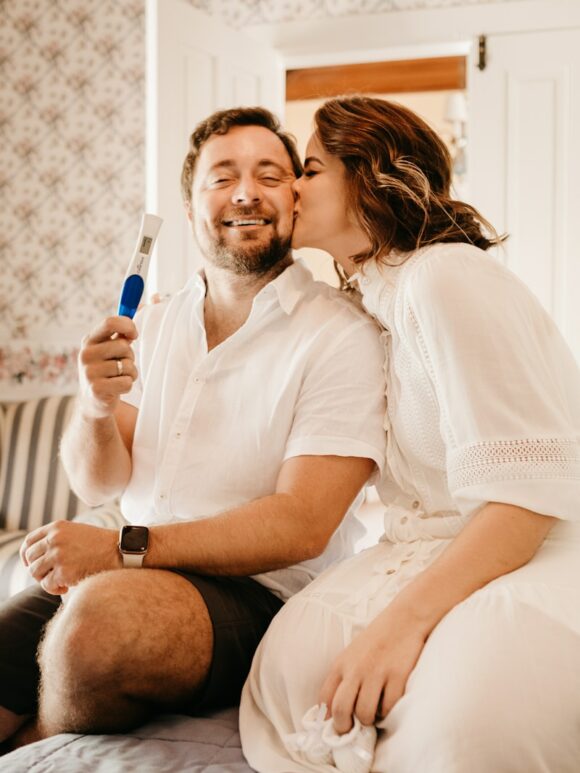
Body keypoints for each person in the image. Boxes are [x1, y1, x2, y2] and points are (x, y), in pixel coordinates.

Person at [0, 106, 387, 751]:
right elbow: (97, 480)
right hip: (133, 566)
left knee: (95, 628)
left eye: (269, 174)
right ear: (189, 210)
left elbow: (303, 522)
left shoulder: (340, 335)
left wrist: (124, 548)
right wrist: (94, 405)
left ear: (293, 201)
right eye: (222, 177)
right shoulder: (153, 324)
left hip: (261, 598)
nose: (245, 192)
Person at [240, 96, 580, 773]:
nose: (293, 188)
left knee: (461, 729)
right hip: (421, 545)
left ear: (370, 177)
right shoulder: (375, 301)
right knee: (286, 669)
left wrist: (403, 622)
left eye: (309, 168)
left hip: (532, 539)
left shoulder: (445, 278)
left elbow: (527, 499)